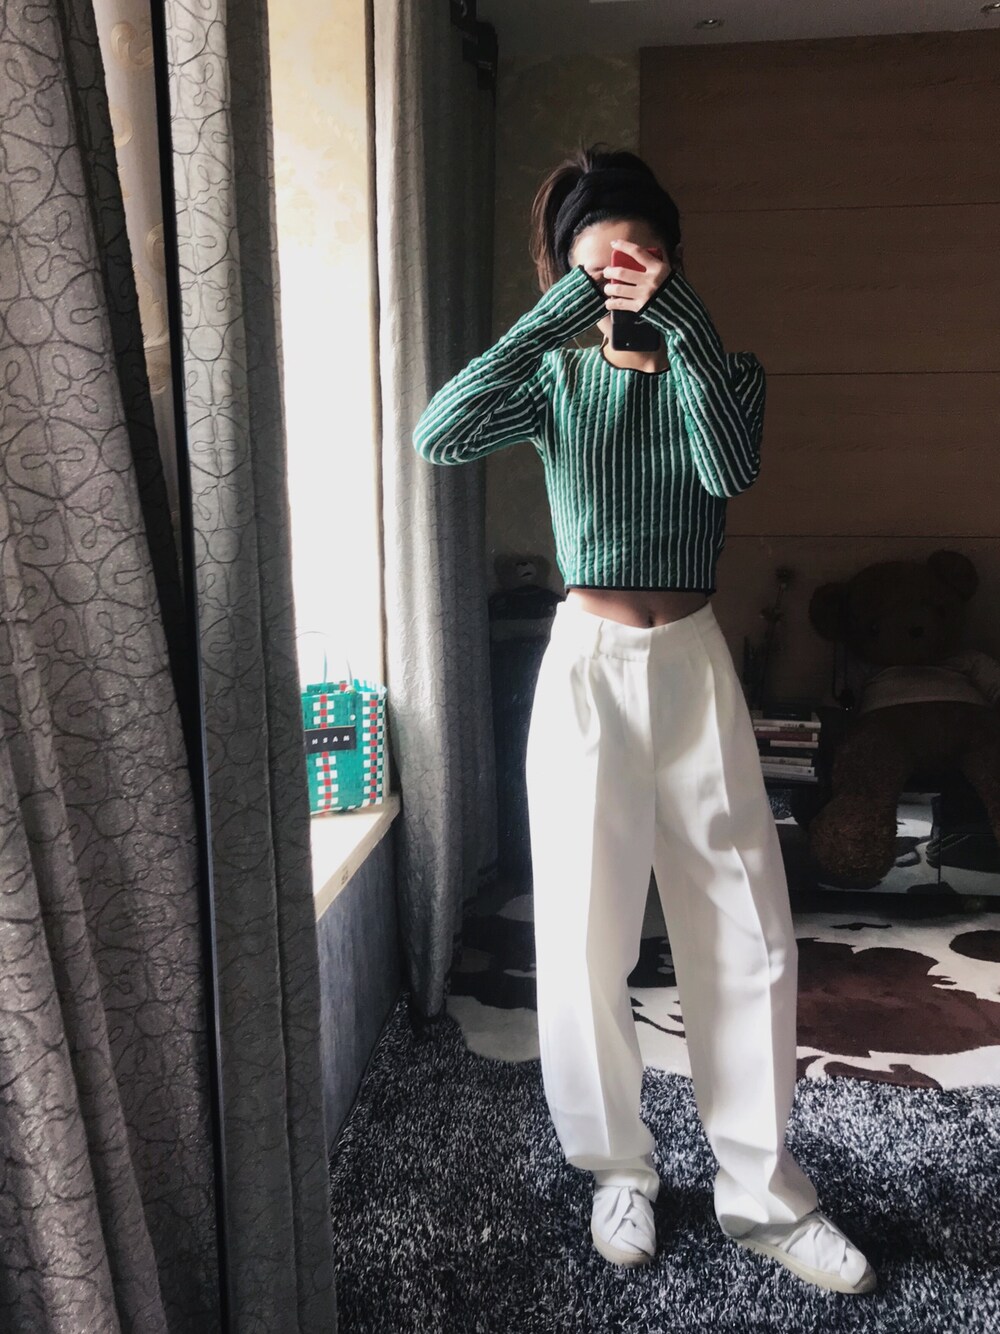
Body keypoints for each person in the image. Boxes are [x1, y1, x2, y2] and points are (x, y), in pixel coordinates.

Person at [412, 144, 876, 1297]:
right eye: (599, 262)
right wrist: (558, 312)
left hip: (693, 663)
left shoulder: (725, 372)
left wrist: (686, 330)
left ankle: (763, 1192)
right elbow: (439, 434)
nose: (624, 274)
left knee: (749, 931)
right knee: (583, 930)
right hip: (587, 667)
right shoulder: (553, 378)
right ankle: (617, 1167)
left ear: (673, 259)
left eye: (643, 254)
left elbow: (726, 467)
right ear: (565, 273)